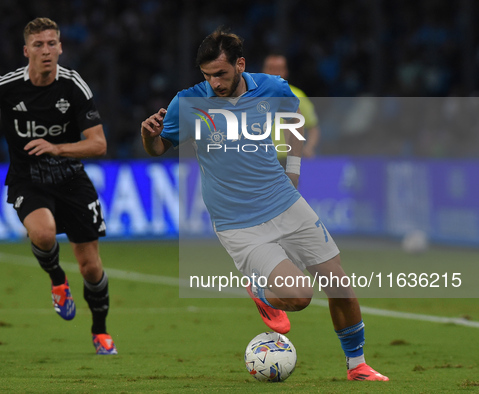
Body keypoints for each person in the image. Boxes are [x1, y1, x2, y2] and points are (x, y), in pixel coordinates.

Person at [141, 28, 388, 381]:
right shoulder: (189, 102)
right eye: (207, 75)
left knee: (340, 285)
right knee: (299, 296)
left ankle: (357, 366)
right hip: (238, 222)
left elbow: (295, 120)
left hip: (285, 202)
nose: (214, 83)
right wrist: (148, 137)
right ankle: (259, 290)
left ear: (240, 64)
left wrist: (294, 169)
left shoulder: (272, 88)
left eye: (221, 74)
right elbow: (159, 147)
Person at [0, 17, 116, 355]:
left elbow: (98, 144)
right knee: (43, 233)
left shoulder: (74, 86)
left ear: (60, 47)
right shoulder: (8, 85)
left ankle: (100, 331)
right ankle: (58, 280)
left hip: (72, 180)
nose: (46, 51)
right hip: (28, 179)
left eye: (52, 44)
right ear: (26, 50)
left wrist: (57, 147)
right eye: (39, 45)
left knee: (90, 267)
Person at [262, 54, 321, 164]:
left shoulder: (297, 96)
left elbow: (313, 127)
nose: (274, 73)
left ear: (285, 71)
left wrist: (309, 147)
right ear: (263, 71)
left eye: (278, 69)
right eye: (271, 68)